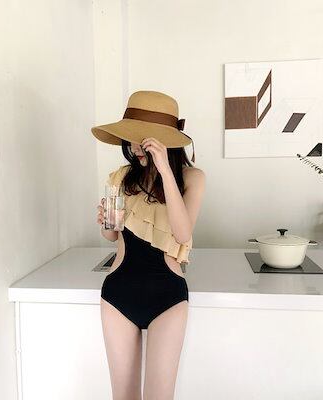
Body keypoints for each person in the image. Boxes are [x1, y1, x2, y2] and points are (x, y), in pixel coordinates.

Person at [91, 90, 205, 400]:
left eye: (144, 141)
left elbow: (182, 234)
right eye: (132, 140)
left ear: (166, 142)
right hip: (118, 293)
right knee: (123, 396)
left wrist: (165, 170)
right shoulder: (121, 177)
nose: (136, 148)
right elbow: (111, 236)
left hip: (167, 296)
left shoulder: (192, 178)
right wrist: (105, 222)